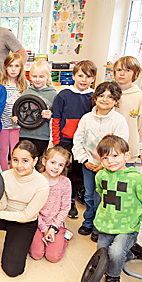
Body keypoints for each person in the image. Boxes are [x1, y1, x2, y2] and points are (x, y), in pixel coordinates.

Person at [94, 135, 142, 282]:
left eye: (115, 155)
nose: (110, 161)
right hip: (106, 224)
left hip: (127, 227)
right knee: (103, 253)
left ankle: (113, 277)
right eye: (105, 157)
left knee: (116, 253)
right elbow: (101, 193)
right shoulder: (101, 176)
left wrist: (136, 216)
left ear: (127, 156)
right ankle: (132, 251)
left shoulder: (136, 180)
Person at [0, 140, 49, 277]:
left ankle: (20, 242)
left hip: (24, 223)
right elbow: (2, 205)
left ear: (35, 161)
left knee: (12, 270)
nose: (19, 165)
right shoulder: (5, 175)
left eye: (25, 161)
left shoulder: (42, 184)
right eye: (15, 160)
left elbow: (26, 216)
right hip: (4, 214)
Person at [72, 81, 129, 243]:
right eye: (101, 95)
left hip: (108, 168)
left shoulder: (119, 120)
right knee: (89, 195)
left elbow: (120, 146)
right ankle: (88, 222)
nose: (105, 99)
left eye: (110, 97)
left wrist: (103, 165)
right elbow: (78, 141)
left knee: (102, 197)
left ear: (116, 101)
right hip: (89, 165)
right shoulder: (86, 118)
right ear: (95, 98)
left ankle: (98, 227)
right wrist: (84, 160)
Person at [52, 60, 96, 218]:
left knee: (77, 173)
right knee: (63, 171)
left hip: (84, 144)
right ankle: (58, 199)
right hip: (65, 140)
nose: (84, 80)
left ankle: (72, 199)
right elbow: (56, 119)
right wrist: (57, 142)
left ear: (93, 79)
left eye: (88, 76)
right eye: (81, 75)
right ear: (73, 76)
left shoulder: (93, 97)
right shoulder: (63, 95)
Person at [30, 146, 72, 263]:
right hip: (38, 222)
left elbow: (65, 208)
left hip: (56, 224)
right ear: (44, 161)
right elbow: (32, 208)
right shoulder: (36, 179)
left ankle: (64, 239)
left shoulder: (65, 183)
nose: (56, 167)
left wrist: (53, 228)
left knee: (52, 257)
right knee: (37, 254)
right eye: (53, 162)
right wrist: (44, 229)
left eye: (60, 165)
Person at [16, 61, 57, 158]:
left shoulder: (53, 95)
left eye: (41, 77)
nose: (37, 80)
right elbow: (20, 111)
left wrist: (50, 115)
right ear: (29, 76)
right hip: (25, 133)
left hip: (42, 135)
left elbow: (57, 117)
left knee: (38, 161)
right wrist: (16, 118)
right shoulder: (26, 93)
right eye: (34, 76)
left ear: (47, 77)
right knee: (25, 159)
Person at [113, 56, 142, 168]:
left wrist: (136, 142)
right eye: (119, 70)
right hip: (107, 149)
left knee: (124, 183)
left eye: (127, 70)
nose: (122, 74)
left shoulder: (139, 97)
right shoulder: (107, 93)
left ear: (136, 73)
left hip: (128, 149)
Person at [0, 52, 28, 171]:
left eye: (16, 66)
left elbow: (27, 106)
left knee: (15, 152)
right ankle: (4, 175)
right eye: (10, 66)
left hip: (18, 126)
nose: (13, 69)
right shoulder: (0, 84)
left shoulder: (25, 85)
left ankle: (14, 173)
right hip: (3, 125)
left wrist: (19, 117)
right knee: (3, 151)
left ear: (21, 68)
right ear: (5, 67)